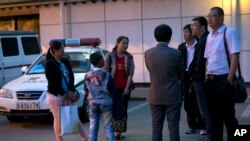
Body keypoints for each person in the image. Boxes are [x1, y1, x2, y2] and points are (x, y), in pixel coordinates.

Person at [204, 7, 240, 141]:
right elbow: (207, 58)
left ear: (221, 17)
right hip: (210, 81)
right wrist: (207, 76)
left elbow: (235, 56)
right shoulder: (209, 36)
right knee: (214, 117)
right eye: (208, 16)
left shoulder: (229, 32)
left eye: (212, 16)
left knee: (229, 116)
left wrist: (229, 80)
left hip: (224, 79)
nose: (209, 19)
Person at [145, 24, 183, 141]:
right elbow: (181, 74)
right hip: (172, 95)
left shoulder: (148, 53)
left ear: (155, 36)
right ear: (170, 37)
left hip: (155, 95)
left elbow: (150, 69)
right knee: (173, 127)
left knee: (156, 127)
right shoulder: (176, 53)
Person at [45, 41, 87, 141]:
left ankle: (85, 138)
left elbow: (71, 77)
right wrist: (63, 93)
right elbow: (52, 81)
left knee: (74, 116)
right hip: (56, 96)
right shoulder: (49, 64)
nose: (63, 50)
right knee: (57, 119)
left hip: (67, 94)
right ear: (54, 50)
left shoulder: (65, 61)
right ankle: (59, 139)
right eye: (61, 48)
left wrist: (72, 91)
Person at [104, 36, 135, 140]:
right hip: (112, 88)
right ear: (117, 43)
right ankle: (110, 132)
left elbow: (131, 73)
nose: (125, 45)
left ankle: (119, 132)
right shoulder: (109, 56)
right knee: (111, 110)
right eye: (123, 43)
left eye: (127, 43)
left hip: (124, 88)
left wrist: (127, 87)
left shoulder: (129, 57)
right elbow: (106, 71)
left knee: (122, 110)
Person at [84, 51, 116, 141]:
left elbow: (86, 89)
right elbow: (112, 89)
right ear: (99, 61)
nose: (104, 61)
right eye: (102, 59)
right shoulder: (107, 75)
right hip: (106, 103)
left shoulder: (87, 75)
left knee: (93, 124)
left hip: (93, 103)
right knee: (108, 125)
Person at [178, 24, 203, 135]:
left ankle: (203, 126)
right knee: (188, 104)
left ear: (192, 33)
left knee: (200, 104)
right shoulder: (181, 47)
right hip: (186, 79)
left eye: (186, 32)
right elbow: (179, 62)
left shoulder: (200, 44)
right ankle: (192, 126)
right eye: (183, 32)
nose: (184, 34)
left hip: (198, 77)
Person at [190, 16, 212, 141]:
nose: (192, 28)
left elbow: (200, 62)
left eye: (194, 25)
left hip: (201, 80)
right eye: (191, 25)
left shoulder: (204, 41)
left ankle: (210, 135)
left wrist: (192, 75)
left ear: (203, 27)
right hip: (202, 79)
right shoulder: (203, 39)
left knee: (205, 109)